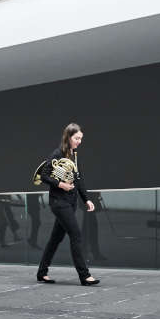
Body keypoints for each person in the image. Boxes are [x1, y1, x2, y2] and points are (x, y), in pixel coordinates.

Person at [36, 123, 100, 286]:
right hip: (59, 202)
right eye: (77, 138)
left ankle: (41, 273)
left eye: (80, 138)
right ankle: (84, 275)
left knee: (55, 239)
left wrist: (86, 199)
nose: (79, 141)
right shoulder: (57, 154)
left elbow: (79, 180)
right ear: (68, 137)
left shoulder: (74, 155)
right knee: (76, 235)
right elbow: (43, 176)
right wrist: (60, 184)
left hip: (70, 203)